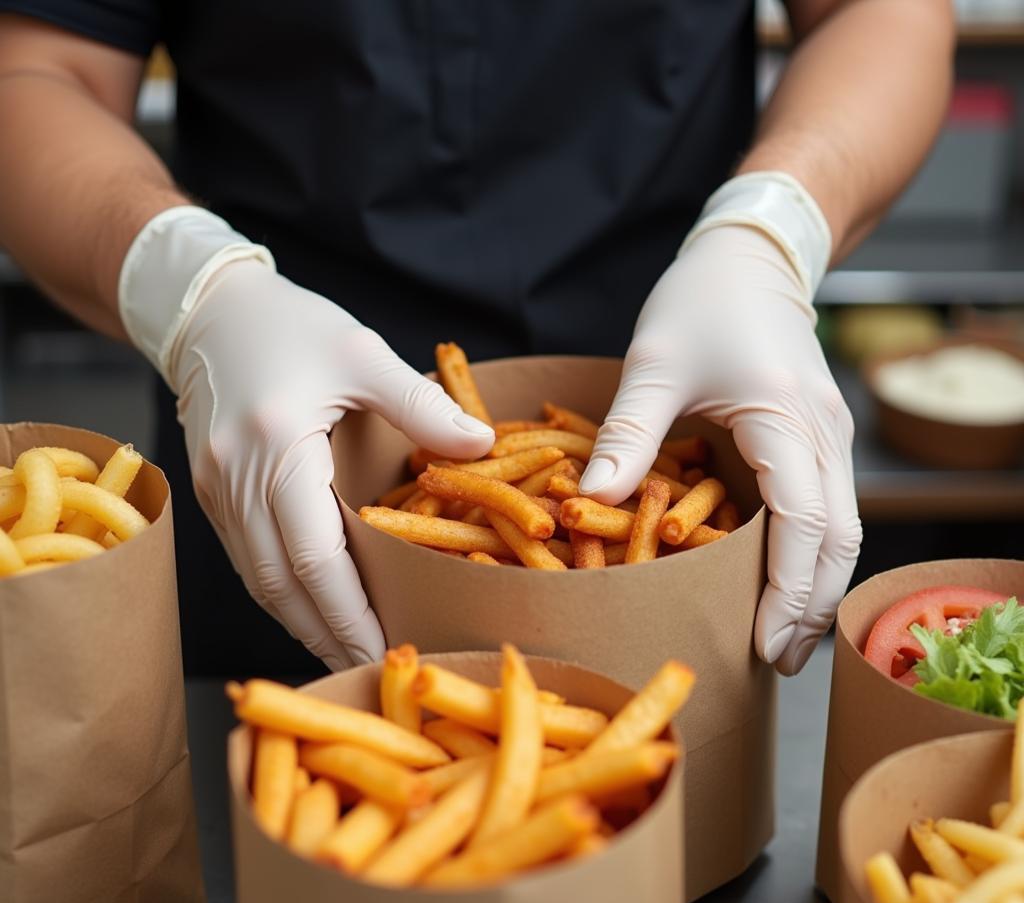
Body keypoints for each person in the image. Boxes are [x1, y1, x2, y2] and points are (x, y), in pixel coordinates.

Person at [0, 2, 954, 676]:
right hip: (280, 437)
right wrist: (194, 286)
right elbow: (38, 67)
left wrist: (769, 229)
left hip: (677, 409)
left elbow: (882, 12)